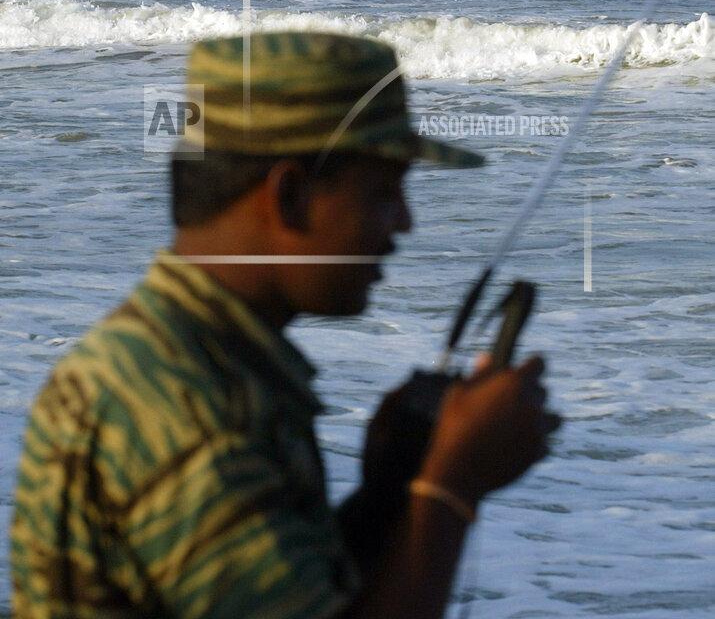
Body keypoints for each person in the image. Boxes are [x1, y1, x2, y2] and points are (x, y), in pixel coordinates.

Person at [11, 31, 561, 619]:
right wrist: (449, 488)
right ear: (291, 195)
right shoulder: (190, 407)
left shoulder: (192, 359)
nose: (404, 223)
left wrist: (388, 495)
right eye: (384, 192)